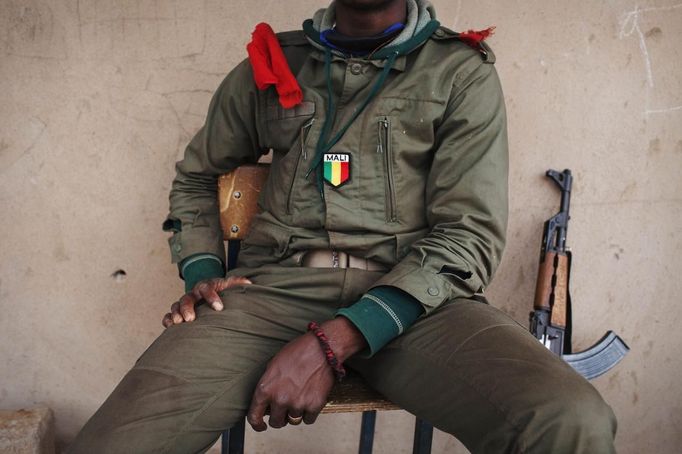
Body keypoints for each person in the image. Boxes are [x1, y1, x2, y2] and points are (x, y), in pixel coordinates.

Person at [69, 1, 617, 452]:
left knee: (569, 421)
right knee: (114, 443)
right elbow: (195, 180)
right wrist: (204, 271)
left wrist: (333, 343)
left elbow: (469, 236)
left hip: (417, 303)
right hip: (272, 294)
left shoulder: (458, 72)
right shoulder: (273, 64)